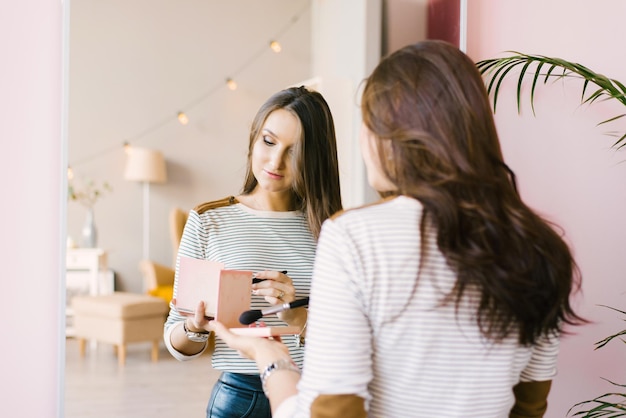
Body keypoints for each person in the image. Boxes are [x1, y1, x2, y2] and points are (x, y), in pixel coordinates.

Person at [207, 40, 586, 418]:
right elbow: (529, 408)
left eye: (368, 123)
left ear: (393, 139)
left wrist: (272, 360)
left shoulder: (354, 237)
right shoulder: (543, 248)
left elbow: (332, 414)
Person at [163, 86, 343, 418]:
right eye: (269, 141)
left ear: (315, 157)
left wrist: (298, 318)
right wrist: (195, 328)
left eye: (295, 151)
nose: (276, 161)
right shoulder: (208, 220)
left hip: (317, 396)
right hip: (242, 398)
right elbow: (176, 342)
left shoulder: (335, 229)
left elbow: (348, 340)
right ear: (253, 139)